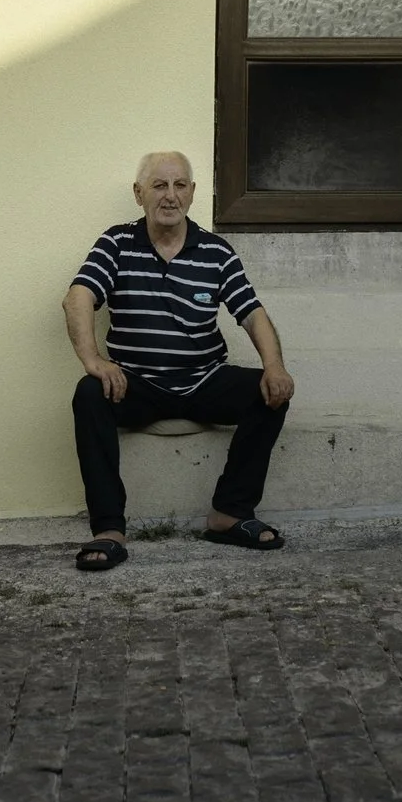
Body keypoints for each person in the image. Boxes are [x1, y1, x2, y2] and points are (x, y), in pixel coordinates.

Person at [62, 151, 294, 573]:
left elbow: (252, 313)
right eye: (159, 185)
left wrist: (275, 365)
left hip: (203, 381)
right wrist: (94, 360)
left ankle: (229, 513)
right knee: (89, 393)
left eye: (180, 185)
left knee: (269, 391)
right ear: (139, 194)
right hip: (136, 385)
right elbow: (78, 297)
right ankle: (109, 530)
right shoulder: (116, 243)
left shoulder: (216, 252)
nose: (170, 196)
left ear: (192, 193)